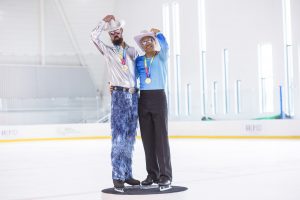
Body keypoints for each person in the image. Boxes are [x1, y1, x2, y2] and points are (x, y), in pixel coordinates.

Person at [91, 15, 140, 193]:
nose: (114, 35)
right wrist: (103, 22)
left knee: (129, 137)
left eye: (116, 32)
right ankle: (117, 175)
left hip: (134, 97)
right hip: (119, 95)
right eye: (111, 33)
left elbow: (141, 71)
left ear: (121, 32)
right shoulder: (107, 51)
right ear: (110, 36)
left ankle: (127, 173)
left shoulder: (132, 52)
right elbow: (93, 37)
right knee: (119, 137)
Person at [134, 28, 172, 191]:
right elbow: (132, 78)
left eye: (149, 40)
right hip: (144, 98)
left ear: (153, 42)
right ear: (141, 45)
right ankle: (152, 174)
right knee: (148, 139)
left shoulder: (161, 56)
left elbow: (166, 47)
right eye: (143, 41)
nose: (147, 43)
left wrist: (159, 34)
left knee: (161, 139)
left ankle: (165, 175)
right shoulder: (139, 60)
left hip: (158, 97)